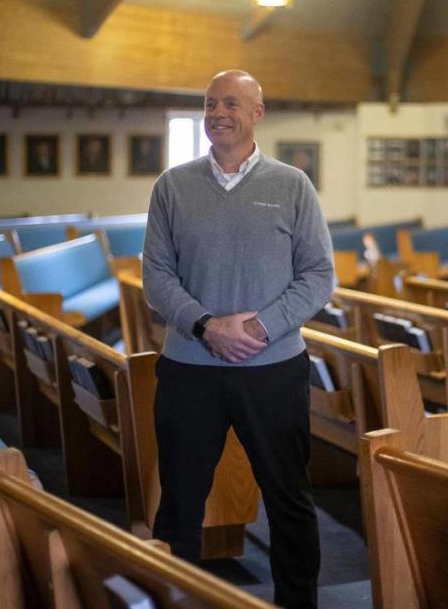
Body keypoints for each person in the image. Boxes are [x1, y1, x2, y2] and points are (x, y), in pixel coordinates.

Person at [142, 69, 333, 609]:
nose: (218, 113)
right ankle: (172, 600)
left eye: (231, 103)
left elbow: (319, 274)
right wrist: (206, 325)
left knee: (289, 500)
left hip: (273, 369)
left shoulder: (292, 184)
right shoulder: (172, 186)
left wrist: (261, 327)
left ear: (257, 113)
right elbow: (156, 274)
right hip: (189, 369)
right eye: (209, 105)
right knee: (179, 502)